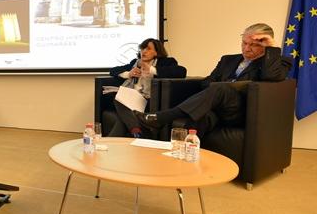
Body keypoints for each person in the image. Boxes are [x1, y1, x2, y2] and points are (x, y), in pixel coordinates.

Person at [135, 23, 292, 137]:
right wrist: (218, 91)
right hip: (216, 107)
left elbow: (270, 77)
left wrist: (272, 48)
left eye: (253, 45)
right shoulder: (228, 60)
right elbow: (206, 82)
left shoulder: (278, 62)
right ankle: (183, 156)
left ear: (265, 45)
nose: (246, 48)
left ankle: (161, 117)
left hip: (242, 112)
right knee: (201, 116)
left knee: (221, 88)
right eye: (244, 43)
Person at [108, 38, 186, 138]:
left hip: (149, 101)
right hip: (133, 98)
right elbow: (113, 70)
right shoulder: (136, 63)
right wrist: (129, 74)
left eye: (148, 49)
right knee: (119, 97)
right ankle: (136, 132)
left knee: (120, 102)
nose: (144, 51)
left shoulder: (166, 62)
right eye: (142, 49)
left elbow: (182, 71)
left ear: (157, 52)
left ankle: (112, 140)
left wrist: (152, 69)